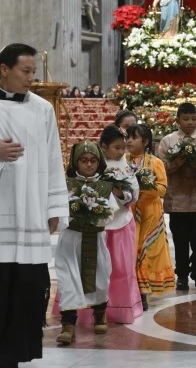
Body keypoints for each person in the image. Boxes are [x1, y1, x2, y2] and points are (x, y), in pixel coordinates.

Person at [0, 43, 69, 366]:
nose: (31, 79)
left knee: (25, 290)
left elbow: (54, 158)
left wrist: (54, 207)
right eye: (25, 72)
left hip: (30, 212)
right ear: (4, 70)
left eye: (33, 73)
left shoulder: (42, 109)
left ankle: (15, 354)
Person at [54, 141, 119, 345]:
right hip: (71, 240)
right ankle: (68, 325)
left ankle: (100, 314)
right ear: (76, 162)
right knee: (67, 280)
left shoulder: (105, 186)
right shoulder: (65, 184)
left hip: (95, 238)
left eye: (92, 161)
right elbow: (58, 209)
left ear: (98, 163)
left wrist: (96, 216)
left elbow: (111, 213)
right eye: (83, 160)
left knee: (100, 276)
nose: (88, 165)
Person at [157, 103, 196, 291]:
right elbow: (160, 169)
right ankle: (182, 275)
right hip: (178, 201)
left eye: (193, 118)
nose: (190, 122)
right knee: (180, 240)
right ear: (177, 120)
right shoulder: (168, 141)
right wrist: (176, 163)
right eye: (186, 119)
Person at [126, 124, 175, 307]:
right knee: (131, 249)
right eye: (128, 137)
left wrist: (145, 187)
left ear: (145, 142)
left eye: (134, 137)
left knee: (147, 249)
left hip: (150, 213)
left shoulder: (155, 162)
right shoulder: (124, 160)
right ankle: (131, 290)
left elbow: (162, 188)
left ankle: (144, 292)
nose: (129, 141)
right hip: (130, 211)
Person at [98, 126, 143, 322]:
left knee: (122, 268)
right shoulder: (94, 164)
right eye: (116, 148)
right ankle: (94, 312)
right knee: (97, 268)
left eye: (123, 148)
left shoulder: (126, 167)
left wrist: (119, 193)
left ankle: (120, 309)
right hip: (98, 226)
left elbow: (133, 194)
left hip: (122, 224)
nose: (121, 152)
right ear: (103, 146)